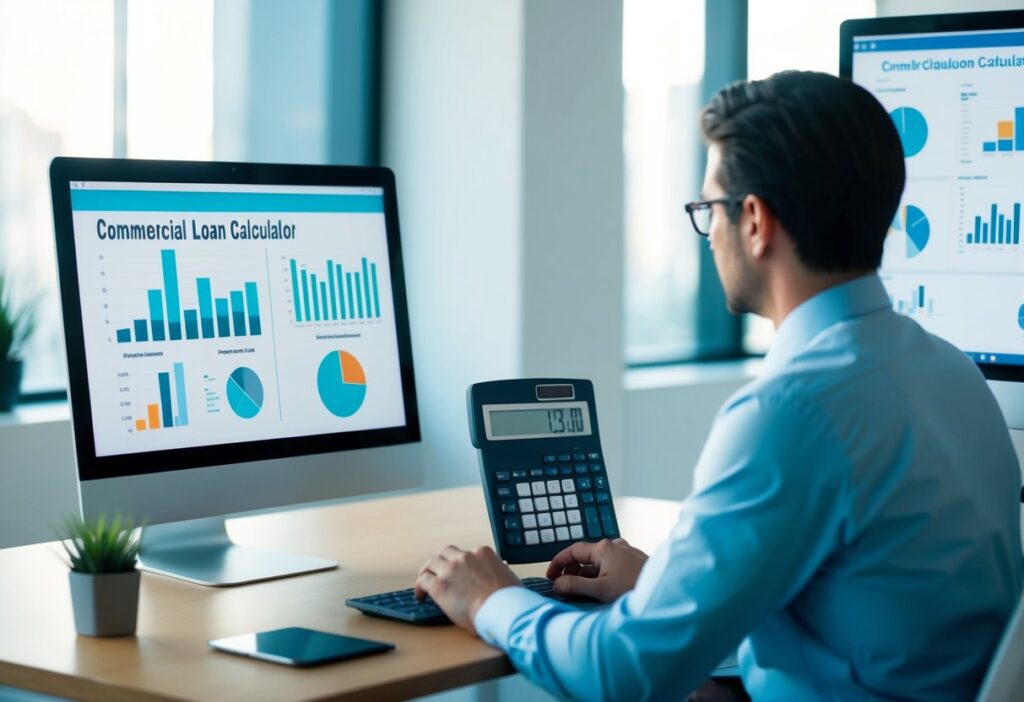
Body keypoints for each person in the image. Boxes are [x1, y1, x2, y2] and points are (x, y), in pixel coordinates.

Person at [414, 71, 1024, 701]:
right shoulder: (953, 373)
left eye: (708, 209)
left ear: (755, 221)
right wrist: (663, 589)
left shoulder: (792, 411)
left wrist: (495, 601)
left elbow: (623, 673)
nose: (707, 234)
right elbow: (872, 615)